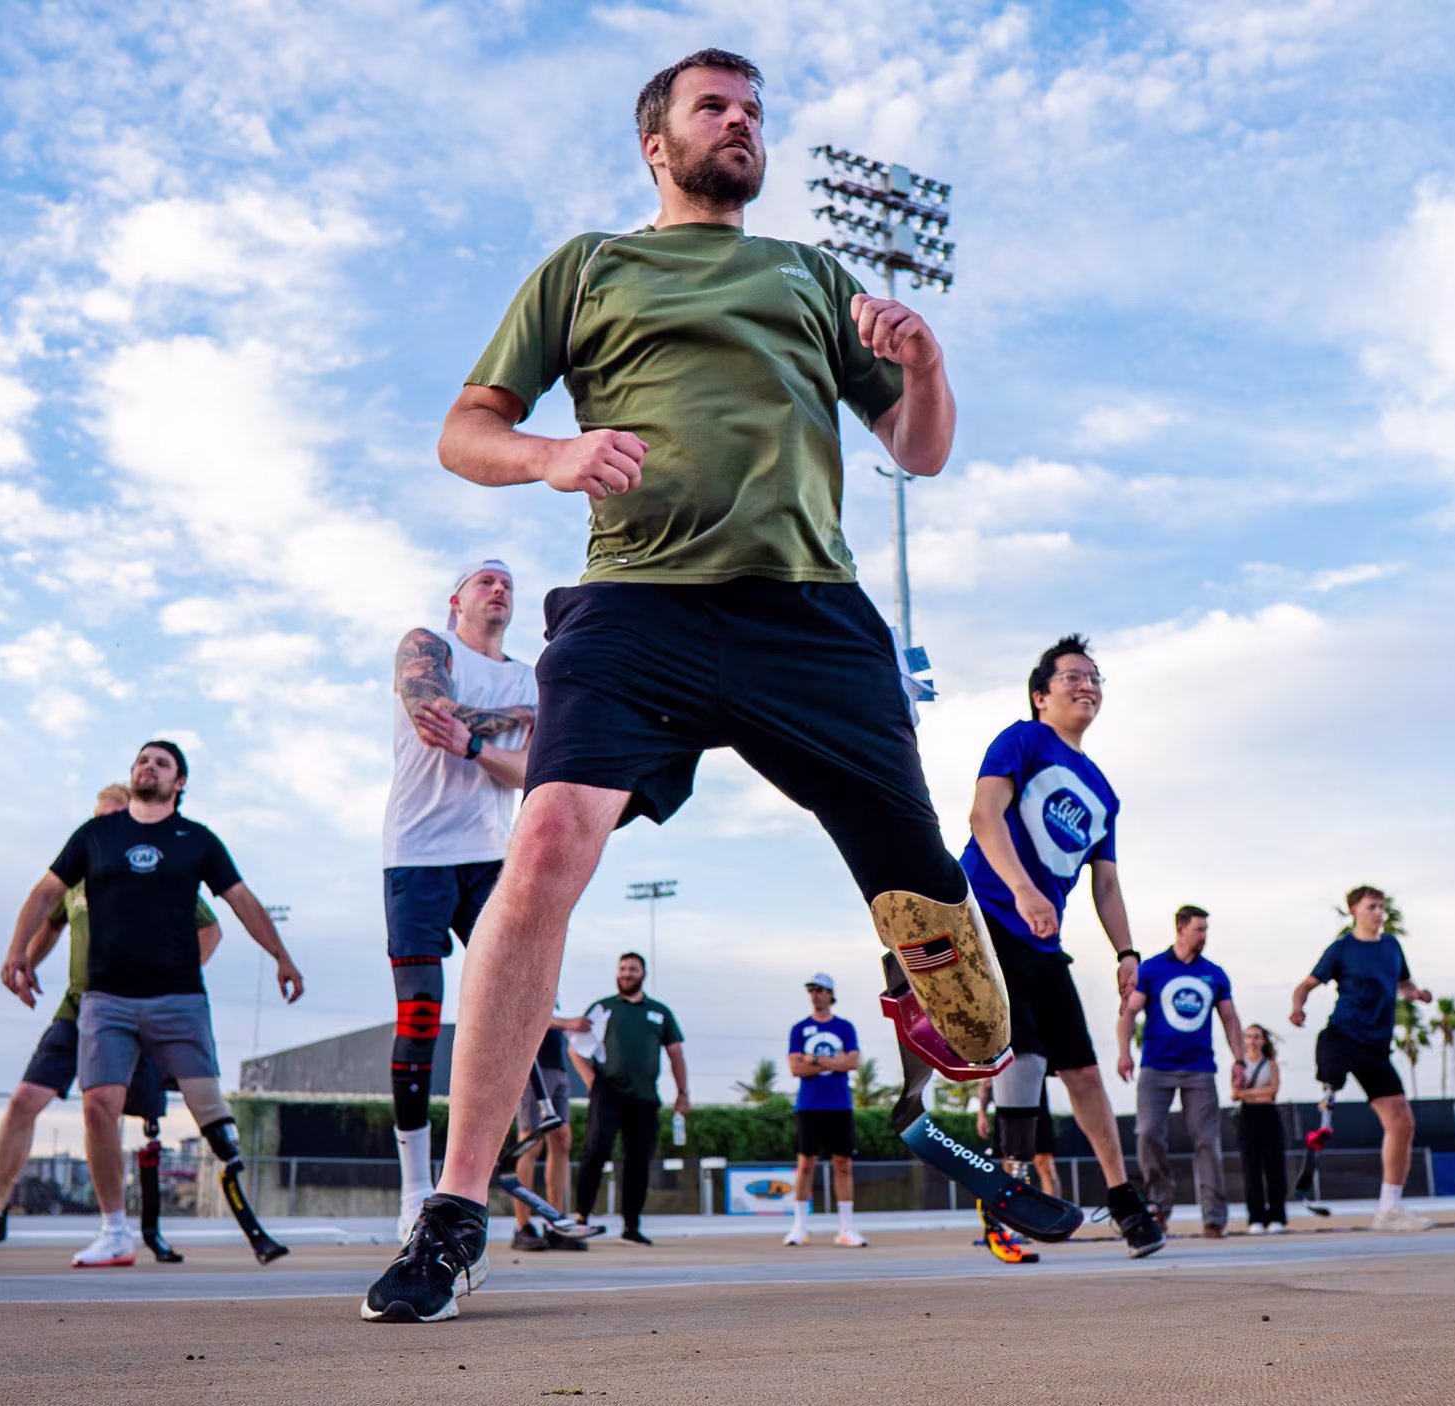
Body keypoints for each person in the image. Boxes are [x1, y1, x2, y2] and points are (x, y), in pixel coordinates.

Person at [364, 47, 1032, 1325]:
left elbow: (918, 449)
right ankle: (451, 1210)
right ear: (656, 144)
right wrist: (553, 455)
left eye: (753, 111)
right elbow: (464, 429)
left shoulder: (808, 275)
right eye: (712, 108)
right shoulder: (588, 268)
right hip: (636, 608)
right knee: (546, 844)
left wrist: (928, 366)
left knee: (940, 921)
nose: (740, 123)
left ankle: (948, 1044)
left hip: (812, 618)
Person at [6, 740, 310, 1267]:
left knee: (207, 1107)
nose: (149, 767)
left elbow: (241, 902)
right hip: (106, 998)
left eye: (161, 762)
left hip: (178, 999)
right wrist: (17, 953)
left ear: (180, 782)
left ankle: (245, 1210)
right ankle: (114, 1231)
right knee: (98, 1104)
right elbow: (44, 895)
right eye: (142, 760)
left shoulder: (196, 840)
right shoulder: (95, 836)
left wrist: (282, 957)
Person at [0, 783, 222, 1256]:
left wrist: (175, 978)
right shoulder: (75, 877)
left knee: (134, 1116)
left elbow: (209, 928)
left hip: (136, 1008)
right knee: (24, 1100)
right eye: (98, 817)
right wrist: (22, 961)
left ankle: (143, 1229)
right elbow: (49, 925)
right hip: (79, 1005)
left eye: (114, 816)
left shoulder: (152, 872)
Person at [963, 634, 1161, 1259]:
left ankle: (1126, 1201)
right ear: (1040, 694)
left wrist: (1126, 952)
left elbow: (1106, 880)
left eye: (1095, 678)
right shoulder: (1021, 739)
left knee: (1083, 1072)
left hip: (1044, 938)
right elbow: (982, 818)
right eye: (1073, 676)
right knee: (1023, 1057)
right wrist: (1022, 889)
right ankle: (1008, 1197)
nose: (1087, 686)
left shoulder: (1102, 790)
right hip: (989, 917)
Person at [385, 560, 537, 1239]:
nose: (499, 589)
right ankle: (414, 1187)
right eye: (485, 581)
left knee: (509, 1000)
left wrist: (477, 740)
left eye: (507, 583)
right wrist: (517, 723)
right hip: (416, 853)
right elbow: (429, 714)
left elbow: (533, 772)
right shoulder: (429, 646)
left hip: (489, 856)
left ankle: (471, 1180)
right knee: (420, 1016)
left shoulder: (533, 676)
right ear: (457, 601)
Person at [1290, 886, 1434, 1232]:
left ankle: (1389, 1208)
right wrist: (1297, 1008)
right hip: (1342, 1037)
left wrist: (1416, 994)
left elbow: (1403, 984)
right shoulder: (1342, 948)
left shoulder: (1392, 947)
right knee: (1330, 1077)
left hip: (1375, 1047)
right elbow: (1305, 986)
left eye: (1382, 907)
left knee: (1402, 1122)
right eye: (1372, 907)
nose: (1379, 913)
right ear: (1354, 910)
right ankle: (1326, 1102)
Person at [1117, 905, 1244, 1239]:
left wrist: (1240, 1060)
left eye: (1205, 930)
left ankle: (1214, 1217)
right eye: (1198, 929)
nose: (1203, 936)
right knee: (1147, 1133)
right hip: (1156, 1066)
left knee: (1207, 1141)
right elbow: (1130, 1013)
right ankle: (1158, 1205)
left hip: (1199, 1068)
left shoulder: (1214, 974)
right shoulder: (1153, 969)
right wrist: (1124, 1052)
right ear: (1181, 929)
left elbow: (1230, 1019)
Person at [565, 953, 688, 1247]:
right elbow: (575, 1048)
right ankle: (582, 1218)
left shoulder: (660, 1012)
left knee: (638, 1160)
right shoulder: (603, 1008)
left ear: (643, 973)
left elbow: (675, 1053)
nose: (626, 973)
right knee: (596, 1150)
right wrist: (591, 1080)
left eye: (632, 969)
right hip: (607, 1093)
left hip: (645, 1097)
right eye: (622, 969)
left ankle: (631, 1226)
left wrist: (683, 1093)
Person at [784, 972, 866, 1247]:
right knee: (805, 1163)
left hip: (839, 1104)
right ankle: (799, 1226)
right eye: (811, 990)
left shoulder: (844, 1027)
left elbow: (853, 1062)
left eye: (820, 990)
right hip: (809, 1105)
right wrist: (835, 1061)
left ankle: (846, 1227)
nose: (815, 994)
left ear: (831, 994)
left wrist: (816, 1060)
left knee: (843, 1164)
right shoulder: (799, 1029)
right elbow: (796, 1067)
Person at [509, 1003, 591, 1251]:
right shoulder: (523, 977)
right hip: (532, 1067)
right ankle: (522, 1226)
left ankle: (555, 1223)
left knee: (561, 1139)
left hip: (557, 1068)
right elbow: (529, 1014)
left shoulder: (549, 981)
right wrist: (569, 1023)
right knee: (530, 1142)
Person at [1235, 1025, 1287, 1234]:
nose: (1253, 1041)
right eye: (1249, 1036)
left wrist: (1250, 1093)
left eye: (1257, 1036)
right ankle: (1255, 1217)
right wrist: (1258, 1094)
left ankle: (1276, 1216)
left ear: (1264, 1040)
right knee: (1251, 1168)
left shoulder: (1271, 1064)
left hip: (1269, 1115)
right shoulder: (1240, 1065)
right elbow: (1235, 1093)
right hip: (1248, 1116)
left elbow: (1273, 1091)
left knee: (1274, 1166)